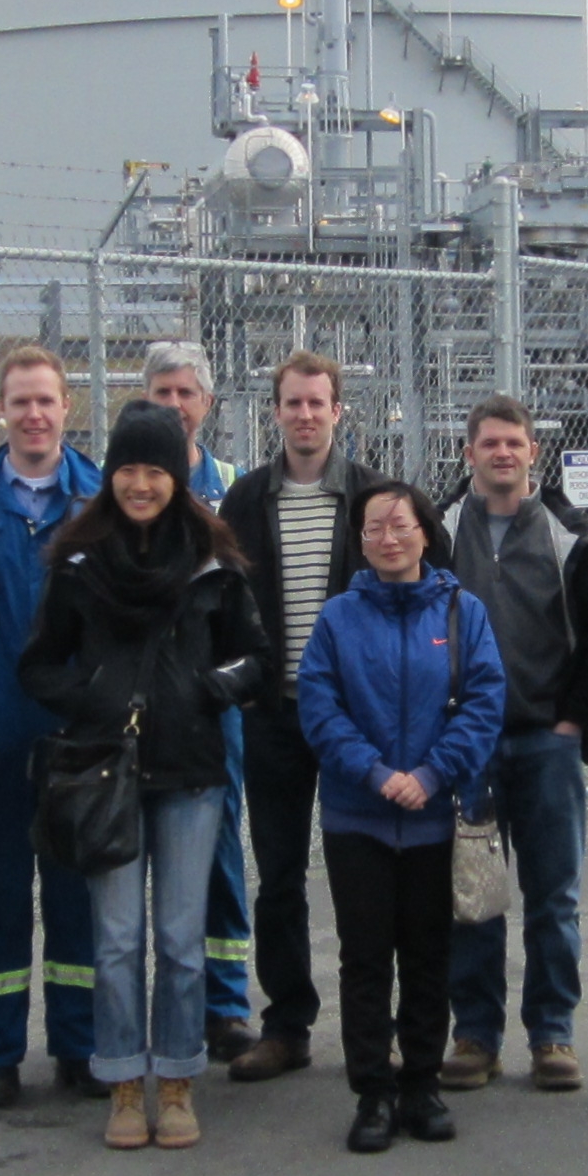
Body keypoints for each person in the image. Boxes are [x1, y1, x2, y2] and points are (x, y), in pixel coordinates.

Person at [18, 403, 265, 1151]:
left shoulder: (214, 561)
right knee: (118, 941)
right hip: (107, 774)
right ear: (111, 475)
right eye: (127, 469)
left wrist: (208, 688)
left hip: (191, 775)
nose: (139, 484)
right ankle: (125, 1083)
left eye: (154, 470)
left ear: (177, 477)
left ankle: (180, 1082)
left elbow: (254, 659)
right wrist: (91, 695)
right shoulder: (79, 563)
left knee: (182, 940)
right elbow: (37, 664)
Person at [296, 481, 507, 1153]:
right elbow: (320, 707)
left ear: (424, 532)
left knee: (426, 955)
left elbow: (484, 701)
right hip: (358, 816)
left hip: (432, 818)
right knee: (364, 958)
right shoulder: (337, 619)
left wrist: (432, 774)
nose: (388, 539)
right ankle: (372, 1092)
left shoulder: (460, 612)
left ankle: (422, 1083)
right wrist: (374, 772)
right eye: (374, 529)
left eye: (400, 525)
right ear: (359, 542)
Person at [0, 345, 105, 1104]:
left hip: (77, 733)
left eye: (46, 401)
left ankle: (80, 1044)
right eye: (20, 402)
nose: (34, 415)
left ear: (69, 408)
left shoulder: (101, 502)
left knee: (79, 892)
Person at [440, 397, 588, 1094]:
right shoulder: (443, 530)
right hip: (470, 745)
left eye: (514, 442)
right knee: (474, 896)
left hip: (546, 741)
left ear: (533, 453)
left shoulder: (570, 538)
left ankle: (552, 1033)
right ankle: (476, 1035)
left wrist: (575, 717)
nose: (503, 454)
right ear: (469, 454)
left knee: (553, 896)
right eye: (489, 443)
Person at [223, 352, 389, 1081]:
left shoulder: (374, 499)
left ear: (338, 410)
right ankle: (287, 1024)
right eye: (292, 403)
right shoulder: (246, 501)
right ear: (276, 411)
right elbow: (224, 604)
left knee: (364, 877)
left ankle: (372, 1030)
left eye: (318, 403)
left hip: (352, 722)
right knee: (279, 877)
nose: (305, 415)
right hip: (274, 718)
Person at [141, 340, 256, 1066]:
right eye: (162, 393)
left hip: (212, 711)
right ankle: (128, 1015)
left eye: (187, 393)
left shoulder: (234, 489)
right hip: (135, 707)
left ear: (207, 404)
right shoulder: (118, 484)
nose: (176, 405)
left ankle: (226, 1005)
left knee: (216, 855)